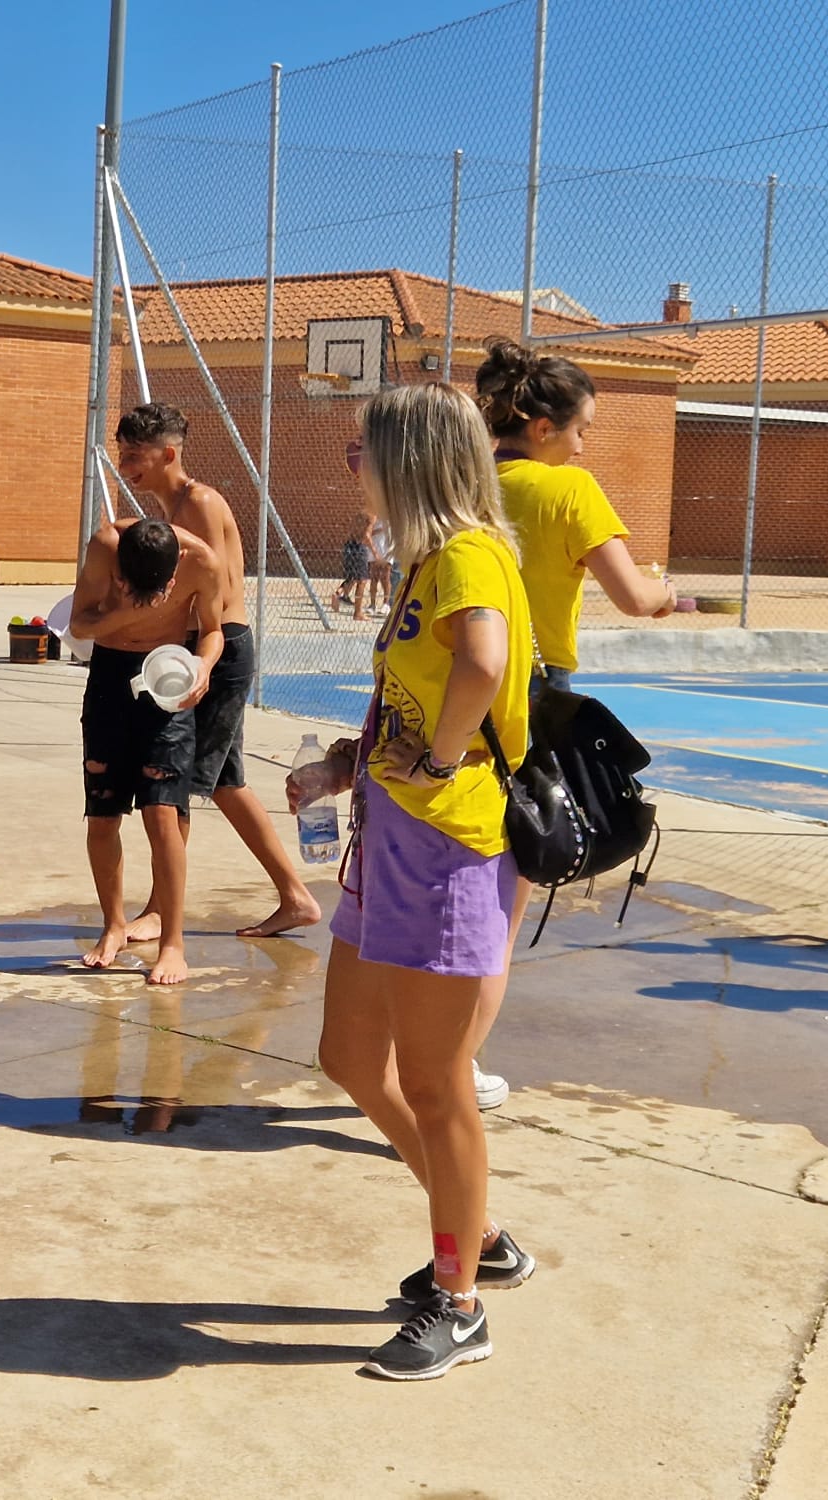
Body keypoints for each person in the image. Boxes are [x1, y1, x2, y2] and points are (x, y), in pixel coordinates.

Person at [287, 382, 536, 1382]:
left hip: (446, 848)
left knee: (435, 1084)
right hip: (387, 840)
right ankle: (472, 1233)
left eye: (363, 450)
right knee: (350, 1056)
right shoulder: (423, 563)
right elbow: (415, 689)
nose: (352, 465)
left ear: (413, 461)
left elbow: (479, 663)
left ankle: (459, 1301)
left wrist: (434, 761)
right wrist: (350, 763)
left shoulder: (468, 556)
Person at [465, 336, 679, 1110]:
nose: (585, 444)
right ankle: (458, 1065)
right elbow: (631, 594)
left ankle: (416, 1041)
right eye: (582, 429)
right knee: (508, 888)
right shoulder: (570, 490)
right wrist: (665, 592)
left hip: (444, 679)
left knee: (450, 866)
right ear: (546, 427)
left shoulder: (464, 481)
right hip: (530, 694)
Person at [112, 403, 322, 941]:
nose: (126, 464)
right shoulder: (166, 508)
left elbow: (217, 594)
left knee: (174, 782)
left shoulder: (199, 503)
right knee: (227, 783)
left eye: (135, 456)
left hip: (219, 653)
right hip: (198, 650)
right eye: (123, 454)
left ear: (168, 454)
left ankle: (162, 909)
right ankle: (296, 897)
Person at [68, 514, 226, 985]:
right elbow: (79, 623)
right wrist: (131, 611)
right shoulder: (104, 546)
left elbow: (214, 630)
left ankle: (173, 942)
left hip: (169, 680)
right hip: (110, 679)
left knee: (163, 817)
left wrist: (204, 665)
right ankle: (113, 926)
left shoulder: (203, 561)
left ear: (175, 577)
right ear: (118, 573)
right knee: (101, 816)